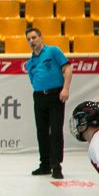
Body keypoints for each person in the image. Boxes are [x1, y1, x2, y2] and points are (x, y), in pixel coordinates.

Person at [25, 28, 72, 179]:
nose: (32, 41)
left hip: (55, 95)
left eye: (34, 37)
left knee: (56, 131)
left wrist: (65, 88)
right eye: (29, 39)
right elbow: (33, 80)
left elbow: (67, 68)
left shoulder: (53, 51)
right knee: (42, 132)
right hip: (39, 97)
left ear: (41, 37)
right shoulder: (30, 62)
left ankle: (56, 166)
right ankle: (44, 164)